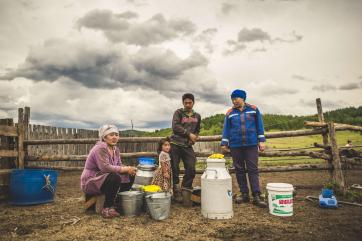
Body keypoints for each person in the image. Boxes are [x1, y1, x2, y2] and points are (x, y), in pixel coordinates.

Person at [221, 89, 267, 208]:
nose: (234, 101)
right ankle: (244, 194)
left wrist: (261, 141)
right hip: (235, 145)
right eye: (232, 99)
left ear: (243, 98)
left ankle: (256, 195)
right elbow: (226, 129)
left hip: (251, 144)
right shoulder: (230, 113)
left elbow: (259, 126)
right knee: (239, 170)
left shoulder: (253, 109)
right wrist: (224, 143)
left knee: (253, 169)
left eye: (236, 98)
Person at [80, 124, 137, 218]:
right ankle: (107, 208)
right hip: (91, 180)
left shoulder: (116, 149)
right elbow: (105, 168)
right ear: (104, 137)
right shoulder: (100, 148)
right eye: (111, 135)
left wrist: (129, 169)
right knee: (114, 177)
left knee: (130, 174)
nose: (114, 137)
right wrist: (125, 169)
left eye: (116, 134)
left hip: (103, 178)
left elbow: (118, 165)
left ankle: (118, 203)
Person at [170, 93, 201, 199]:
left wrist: (195, 137)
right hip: (175, 144)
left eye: (190, 102)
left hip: (187, 146)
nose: (188, 104)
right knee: (174, 168)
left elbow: (197, 130)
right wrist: (189, 134)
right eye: (186, 102)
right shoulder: (178, 113)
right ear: (183, 103)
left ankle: (185, 188)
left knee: (191, 167)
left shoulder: (197, 116)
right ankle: (176, 189)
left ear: (193, 103)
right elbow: (175, 127)